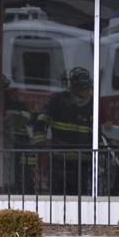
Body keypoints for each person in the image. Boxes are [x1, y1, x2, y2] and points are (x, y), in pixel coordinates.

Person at [35, 66, 93, 195]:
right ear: (73, 87)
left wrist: (101, 152)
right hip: (59, 161)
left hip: (82, 163)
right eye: (81, 88)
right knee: (57, 197)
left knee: (80, 199)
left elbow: (96, 133)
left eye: (86, 88)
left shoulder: (92, 106)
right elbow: (41, 122)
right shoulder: (57, 101)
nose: (84, 92)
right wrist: (39, 142)